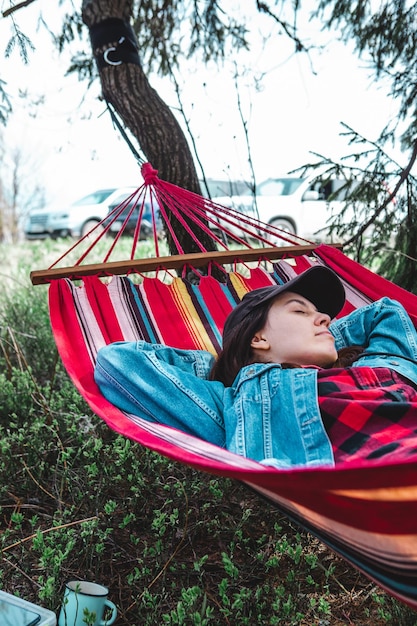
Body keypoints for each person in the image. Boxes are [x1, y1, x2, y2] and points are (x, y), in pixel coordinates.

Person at [94, 266, 417, 469]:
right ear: (258, 338)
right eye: (300, 312)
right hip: (389, 475)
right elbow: (118, 364)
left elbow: (385, 311)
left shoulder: (377, 362)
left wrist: (328, 340)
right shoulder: (238, 405)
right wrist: (213, 365)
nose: (325, 319)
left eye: (322, 316)